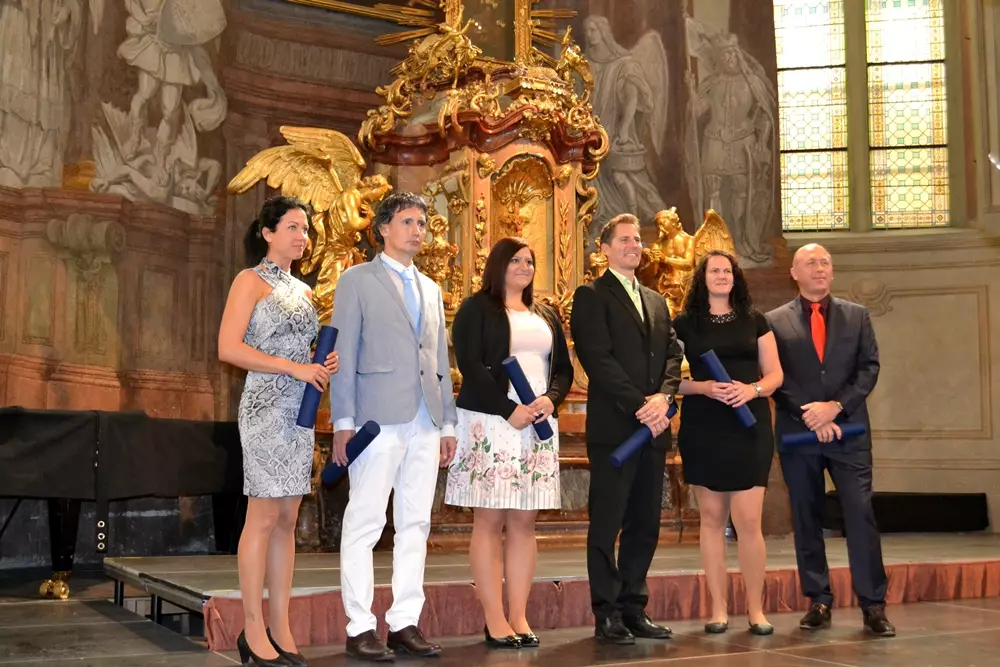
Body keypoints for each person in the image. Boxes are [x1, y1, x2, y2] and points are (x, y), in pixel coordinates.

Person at [329, 191, 458, 662]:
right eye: (407, 221)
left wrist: (448, 423)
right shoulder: (356, 280)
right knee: (365, 521)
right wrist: (343, 421)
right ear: (383, 228)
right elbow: (342, 354)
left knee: (415, 524)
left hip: (425, 420)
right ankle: (360, 625)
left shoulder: (431, 288)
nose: (417, 230)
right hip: (375, 420)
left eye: (422, 223)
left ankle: (404, 621)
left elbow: (440, 361)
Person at [218, 195, 339, 667]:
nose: (301, 236)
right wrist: (293, 367)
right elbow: (229, 348)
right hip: (265, 407)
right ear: (267, 233)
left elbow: (301, 354)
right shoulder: (249, 280)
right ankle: (252, 629)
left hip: (299, 410)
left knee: (288, 518)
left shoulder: (306, 292)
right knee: (263, 516)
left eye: (305, 228)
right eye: (292, 227)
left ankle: (280, 625)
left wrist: (321, 362)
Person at [444, 238, 574, 650]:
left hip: (537, 422)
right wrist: (507, 408)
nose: (524, 266)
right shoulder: (476, 308)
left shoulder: (546, 313)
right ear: (498, 265)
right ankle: (494, 618)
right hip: (491, 420)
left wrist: (551, 399)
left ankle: (518, 614)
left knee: (524, 522)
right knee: (490, 519)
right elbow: (470, 366)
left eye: (530, 261)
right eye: (515, 260)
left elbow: (563, 370)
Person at [766, 243, 895, 637]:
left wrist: (835, 407)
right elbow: (774, 376)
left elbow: (869, 368)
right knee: (806, 516)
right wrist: (811, 413)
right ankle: (818, 599)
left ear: (832, 271)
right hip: (799, 432)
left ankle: (873, 605)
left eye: (825, 262)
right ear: (794, 273)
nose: (819, 268)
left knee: (860, 513)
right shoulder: (773, 321)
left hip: (847, 432)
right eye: (810, 263)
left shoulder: (857, 316)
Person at [570, 214, 683, 645]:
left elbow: (673, 355)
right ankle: (607, 613)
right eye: (623, 239)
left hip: (653, 430)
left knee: (645, 523)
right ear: (604, 249)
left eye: (637, 239)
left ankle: (634, 607)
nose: (633, 245)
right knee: (607, 523)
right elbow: (597, 359)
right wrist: (641, 405)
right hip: (616, 429)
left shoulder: (656, 300)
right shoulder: (591, 295)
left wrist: (664, 399)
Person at [672, 250, 783, 635]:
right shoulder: (684, 323)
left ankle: (756, 610)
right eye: (714, 270)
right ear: (701, 278)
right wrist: (703, 387)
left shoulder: (756, 320)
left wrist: (752, 390)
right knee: (712, 520)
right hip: (704, 425)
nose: (721, 275)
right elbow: (667, 379)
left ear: (736, 277)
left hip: (749, 425)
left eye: (727, 270)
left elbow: (775, 375)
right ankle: (717, 609)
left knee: (749, 521)